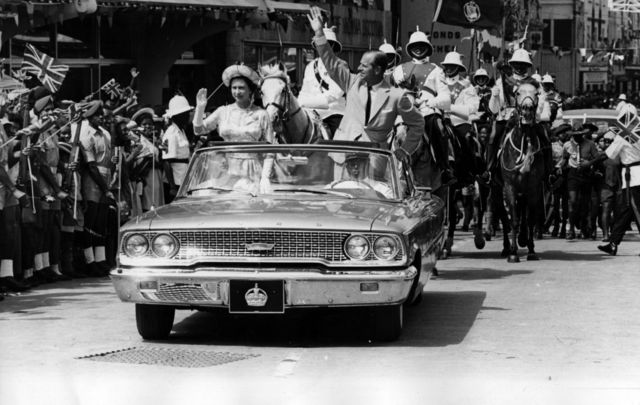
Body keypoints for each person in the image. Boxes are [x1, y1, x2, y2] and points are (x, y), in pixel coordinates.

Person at [307, 7, 424, 167]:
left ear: (377, 70)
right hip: (343, 159)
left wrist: (405, 150)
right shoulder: (352, 81)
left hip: (373, 164)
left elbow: (418, 123)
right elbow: (331, 63)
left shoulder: (396, 96)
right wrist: (319, 33)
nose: (360, 68)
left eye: (364, 66)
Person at [193, 64, 274, 193]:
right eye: (234, 88)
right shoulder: (223, 111)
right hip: (226, 169)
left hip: (251, 170)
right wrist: (200, 108)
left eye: (241, 88)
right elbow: (198, 130)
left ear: (250, 90)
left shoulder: (261, 114)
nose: (237, 92)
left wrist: (265, 177)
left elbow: (270, 149)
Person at [391, 27, 453, 183]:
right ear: (410, 49)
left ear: (428, 48)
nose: (418, 49)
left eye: (422, 45)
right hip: (403, 110)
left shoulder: (437, 70)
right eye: (415, 46)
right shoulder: (399, 69)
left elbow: (446, 98)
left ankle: (444, 167)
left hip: (427, 111)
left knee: (439, 128)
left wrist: (429, 102)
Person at [487, 49, 551, 177]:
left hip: (528, 117)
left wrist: (536, 114)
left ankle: (549, 173)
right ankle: (489, 169)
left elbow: (542, 100)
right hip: (507, 117)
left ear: (528, 66)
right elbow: (494, 109)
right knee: (494, 136)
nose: (519, 67)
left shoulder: (534, 83)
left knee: (544, 137)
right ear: (512, 65)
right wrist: (494, 96)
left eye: (523, 64)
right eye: (517, 64)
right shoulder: (503, 81)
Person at [76, 100, 118, 276]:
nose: (101, 118)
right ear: (89, 117)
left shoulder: (105, 134)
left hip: (106, 180)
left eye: (101, 114)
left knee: (101, 223)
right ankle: (89, 261)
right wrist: (104, 188)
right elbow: (91, 165)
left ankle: (100, 260)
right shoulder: (86, 135)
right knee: (90, 223)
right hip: (93, 182)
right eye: (97, 115)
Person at [597, 117, 640, 256]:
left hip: (633, 178)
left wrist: (590, 162)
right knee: (625, 212)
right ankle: (613, 243)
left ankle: (613, 243)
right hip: (633, 176)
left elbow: (609, 153)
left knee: (636, 210)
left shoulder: (623, 136)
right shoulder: (637, 133)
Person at [298, 25, 346, 139]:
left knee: (340, 139)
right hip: (310, 113)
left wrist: (306, 102)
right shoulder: (310, 66)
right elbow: (304, 91)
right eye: (320, 44)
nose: (322, 47)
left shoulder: (341, 66)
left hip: (333, 112)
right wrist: (299, 102)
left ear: (333, 45)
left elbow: (334, 95)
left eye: (326, 44)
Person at [560, 124, 600, 239]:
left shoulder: (590, 144)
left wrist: (589, 163)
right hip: (573, 174)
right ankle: (571, 228)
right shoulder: (567, 145)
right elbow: (564, 158)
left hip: (586, 174)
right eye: (575, 135)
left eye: (579, 135)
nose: (577, 137)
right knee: (572, 201)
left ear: (583, 134)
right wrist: (559, 167)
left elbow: (597, 157)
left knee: (585, 203)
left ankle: (583, 228)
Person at [162, 94, 193, 199]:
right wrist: (172, 187)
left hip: (183, 178)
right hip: (175, 181)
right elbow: (167, 162)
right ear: (179, 115)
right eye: (186, 113)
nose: (189, 115)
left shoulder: (181, 131)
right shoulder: (172, 133)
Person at [326, 152, 394, 198]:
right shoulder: (335, 186)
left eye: (359, 162)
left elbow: (392, 207)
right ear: (346, 166)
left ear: (367, 164)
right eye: (352, 163)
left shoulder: (381, 189)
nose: (355, 166)